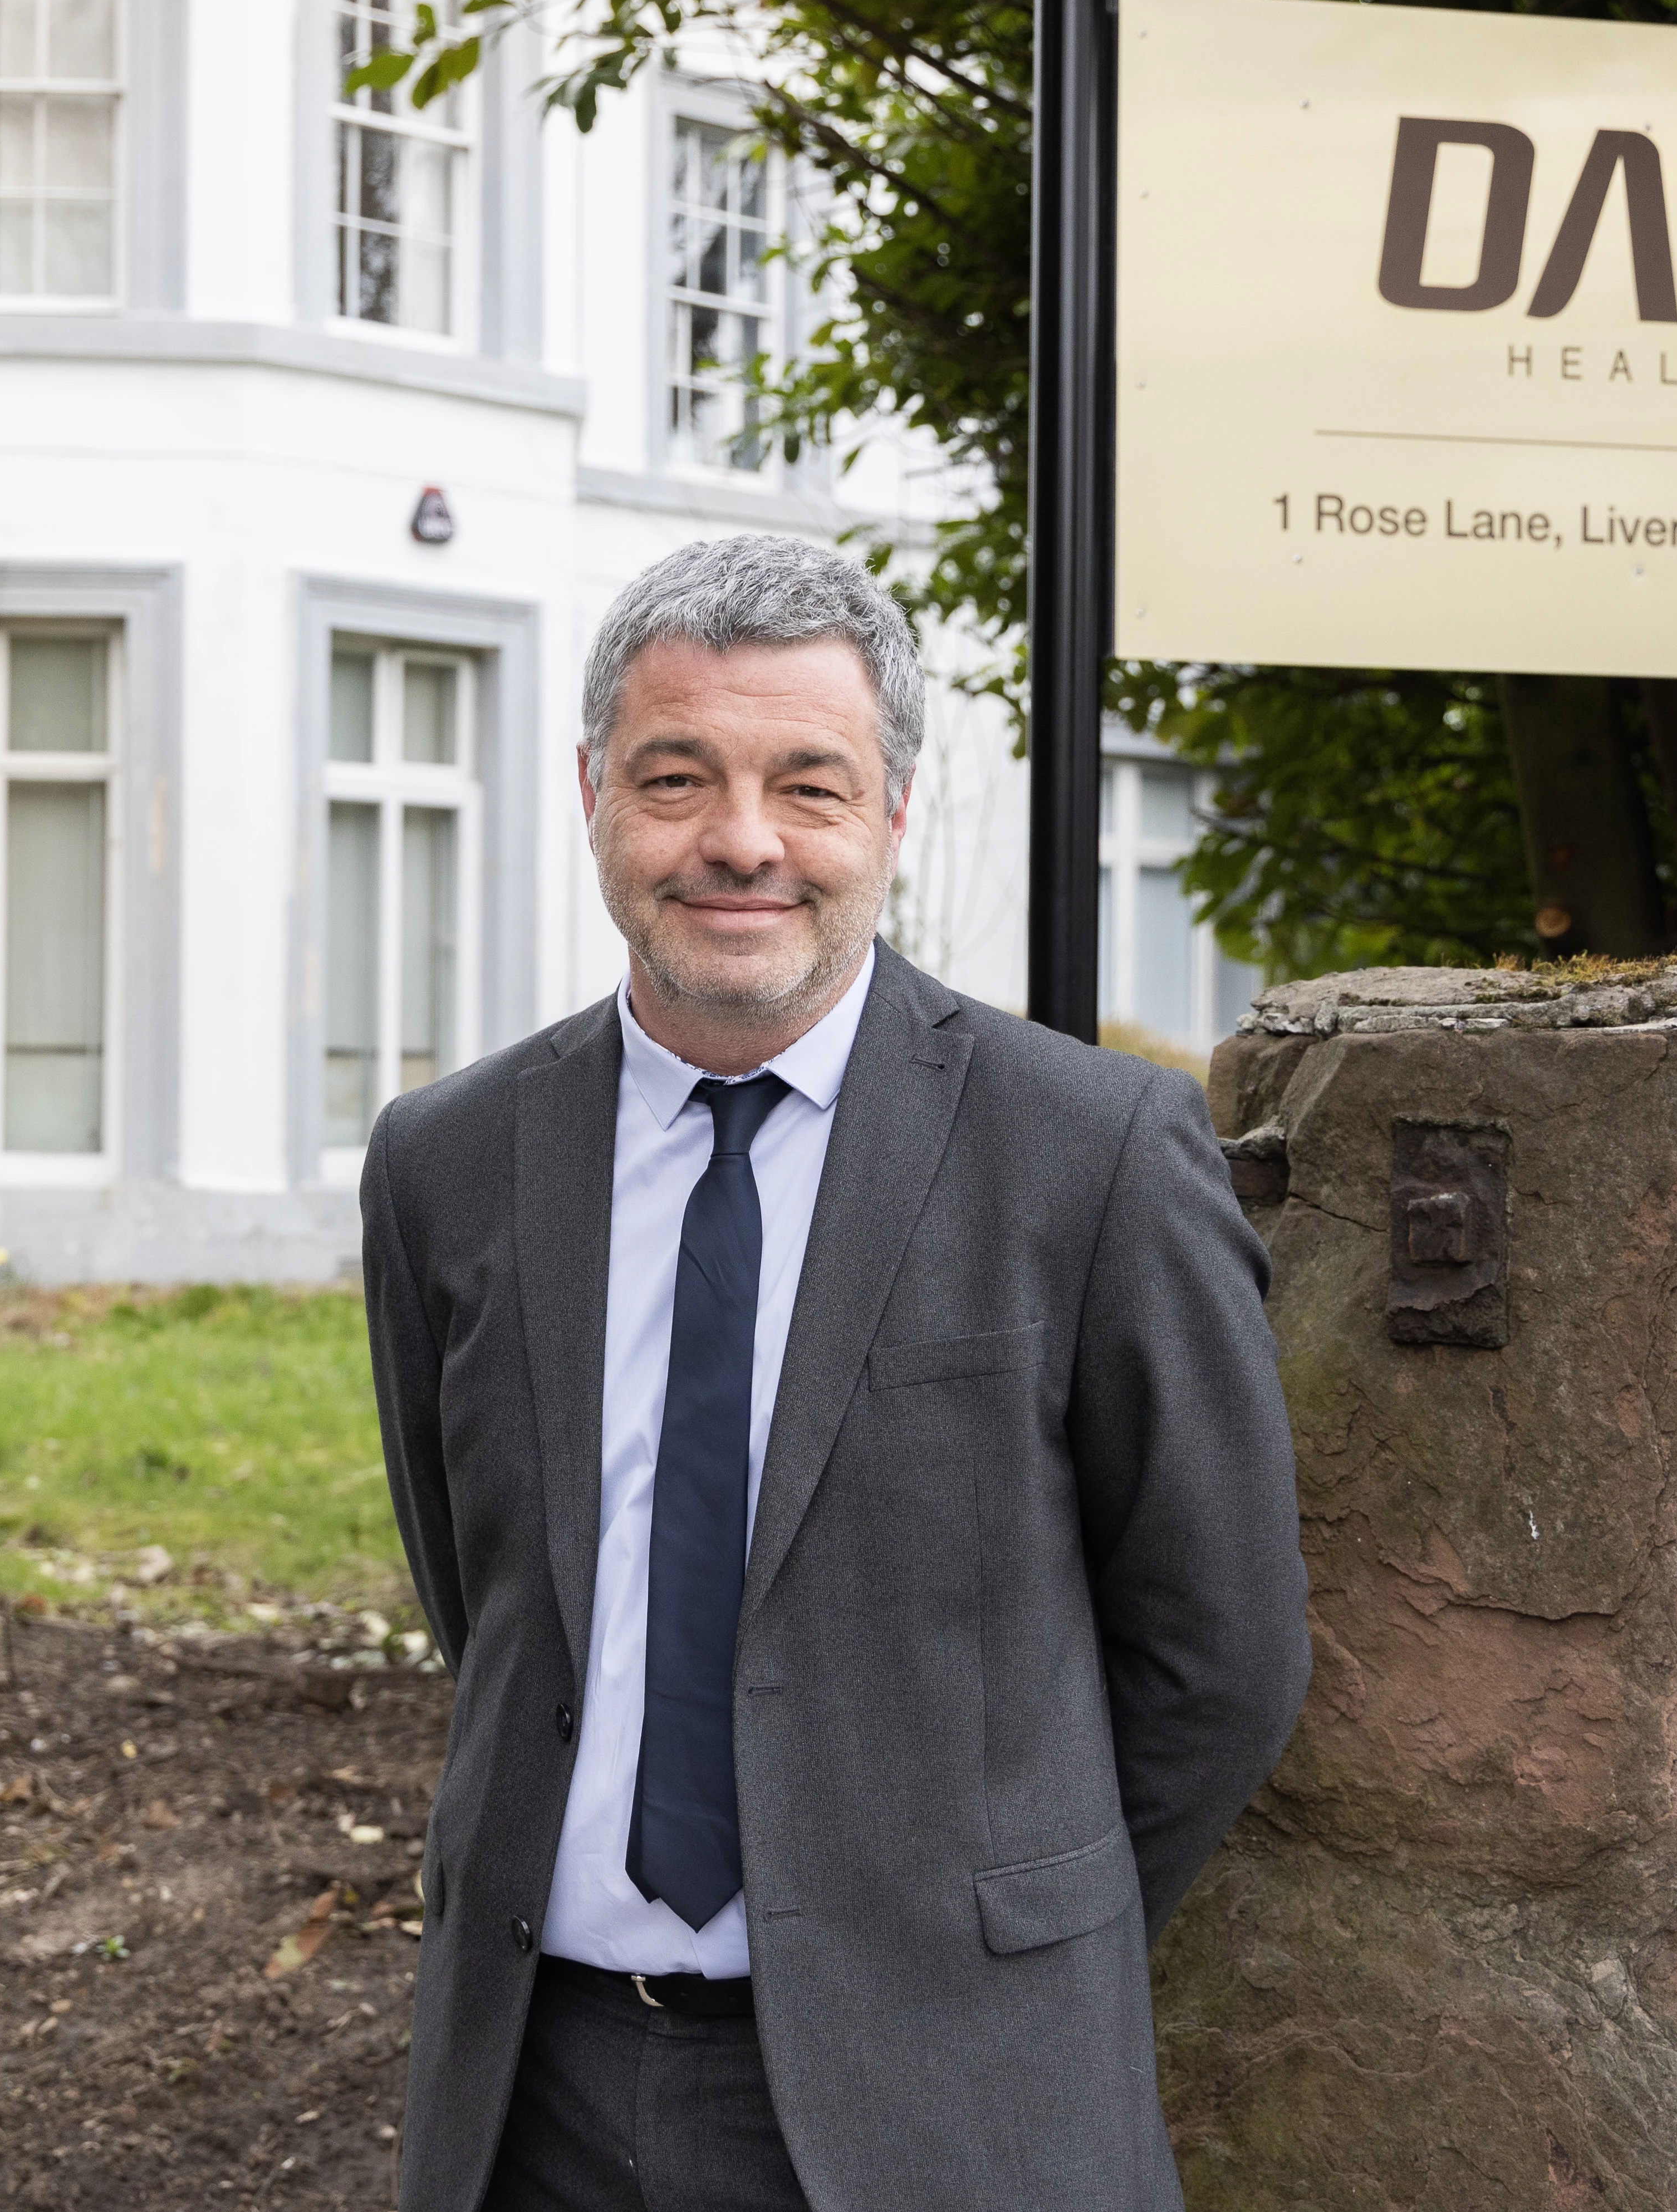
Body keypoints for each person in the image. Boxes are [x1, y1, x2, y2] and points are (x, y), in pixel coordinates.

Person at [361, 537, 1308, 2212]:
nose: (739, 841)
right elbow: (493, 1597)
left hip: (954, 2101)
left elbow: (1218, 1656)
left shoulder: (1092, 1157)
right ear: (592, 793)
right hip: (534, 2099)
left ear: (890, 813)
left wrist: (996, 1931)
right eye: (676, 778)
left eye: (808, 783)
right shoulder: (450, 1162)